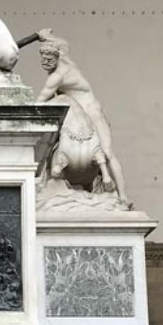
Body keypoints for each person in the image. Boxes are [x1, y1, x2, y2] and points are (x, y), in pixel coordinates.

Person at [35, 29, 128, 205]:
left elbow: (39, 103)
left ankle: (123, 196)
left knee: (108, 152)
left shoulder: (57, 77)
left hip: (91, 111)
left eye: (49, 60)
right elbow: (64, 44)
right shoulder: (64, 58)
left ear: (56, 57)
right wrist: (47, 36)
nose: (45, 63)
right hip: (78, 113)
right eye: (43, 59)